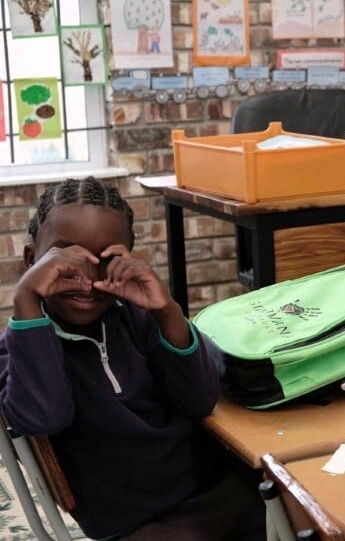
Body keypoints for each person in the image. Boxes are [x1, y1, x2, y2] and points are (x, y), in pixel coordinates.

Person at [0, 177, 265, 540]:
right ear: (32, 259)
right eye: (66, 258)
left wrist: (166, 311)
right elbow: (44, 416)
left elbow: (199, 400)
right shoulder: (16, 351)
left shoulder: (135, 319)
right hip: (134, 524)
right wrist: (26, 298)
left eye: (106, 260)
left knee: (304, 502)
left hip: (211, 486)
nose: (86, 280)